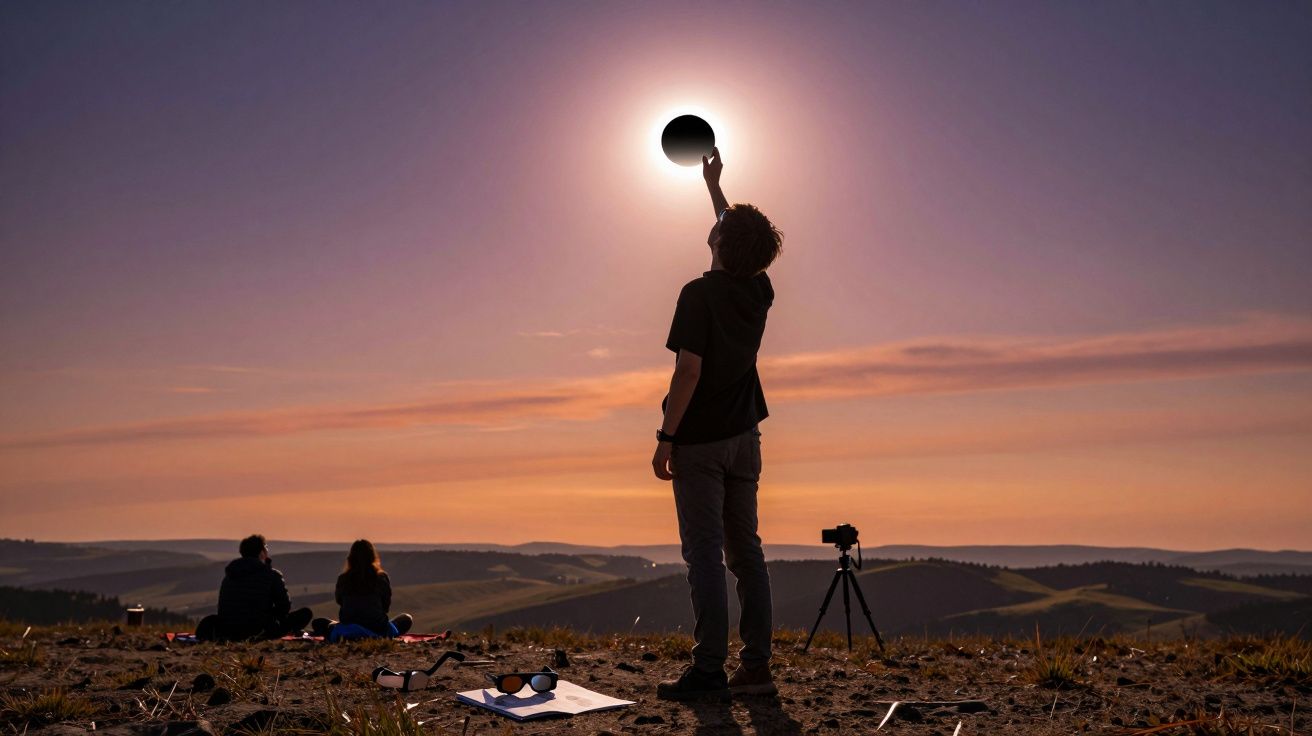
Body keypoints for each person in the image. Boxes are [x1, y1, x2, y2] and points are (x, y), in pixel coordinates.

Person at [653, 146, 783, 701]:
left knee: (703, 554)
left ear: (718, 244)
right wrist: (715, 186)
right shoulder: (760, 290)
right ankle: (755, 667)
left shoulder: (698, 294)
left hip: (701, 442)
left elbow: (688, 371)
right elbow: (735, 239)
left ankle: (708, 670)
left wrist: (665, 438)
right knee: (745, 553)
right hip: (745, 441)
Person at [195, 534, 313, 642]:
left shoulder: (230, 575)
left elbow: (223, 608)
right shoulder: (271, 575)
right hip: (259, 630)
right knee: (305, 614)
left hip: (230, 631)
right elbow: (284, 607)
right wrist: (270, 616)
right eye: (266, 548)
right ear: (261, 553)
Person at [311, 539, 413, 641]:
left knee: (319, 622)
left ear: (351, 558)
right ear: (372, 557)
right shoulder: (381, 578)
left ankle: (352, 633)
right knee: (406, 619)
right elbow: (385, 606)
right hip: (378, 629)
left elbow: (340, 601)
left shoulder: (343, 578)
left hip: (348, 629)